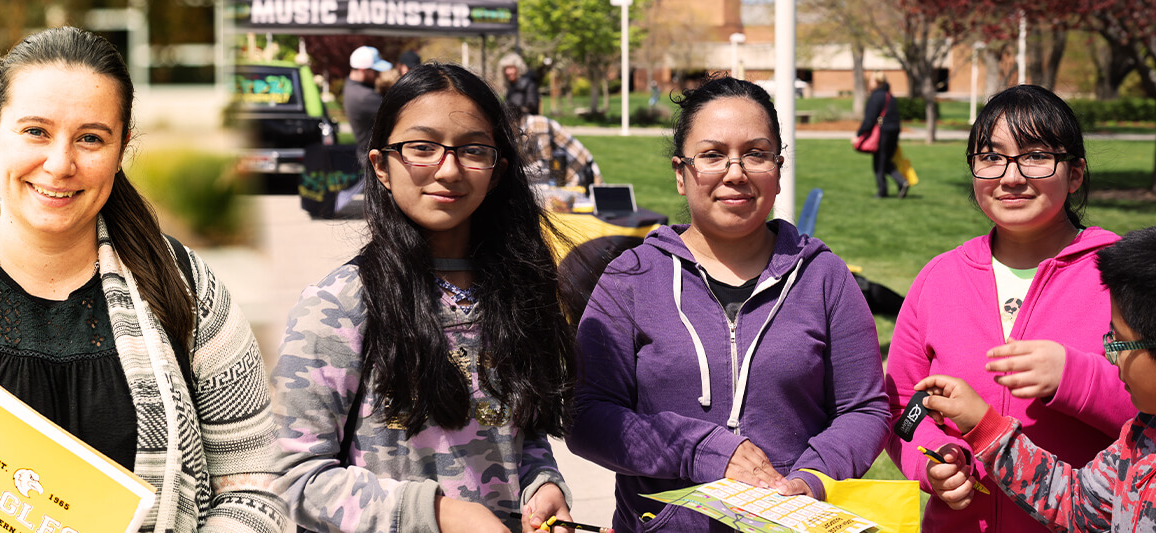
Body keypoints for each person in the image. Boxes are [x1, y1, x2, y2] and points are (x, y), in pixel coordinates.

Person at [0, 26, 288, 531]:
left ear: (121, 150)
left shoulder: (188, 290)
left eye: (90, 138)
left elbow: (258, 487)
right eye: (35, 131)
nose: (60, 164)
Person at [271, 62, 580, 533]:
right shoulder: (339, 305)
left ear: (496, 171)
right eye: (422, 148)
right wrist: (439, 513)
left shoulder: (519, 290)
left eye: (473, 150)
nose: (449, 169)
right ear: (381, 167)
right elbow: (293, 480)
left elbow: (521, 433)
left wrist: (542, 486)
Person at [572, 77, 892, 532]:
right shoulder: (632, 277)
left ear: (778, 172)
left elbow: (865, 409)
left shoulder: (824, 277)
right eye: (712, 154)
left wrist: (812, 480)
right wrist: (701, 450)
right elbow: (587, 416)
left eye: (756, 154)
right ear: (681, 174)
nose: (735, 171)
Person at [885, 84, 1138, 533]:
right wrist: (931, 459)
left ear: (1075, 173)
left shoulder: (1124, 276)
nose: (1011, 176)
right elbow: (902, 405)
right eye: (991, 157)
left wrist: (1074, 377)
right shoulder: (939, 278)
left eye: (1036, 156)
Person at [911, 221, 1156, 531]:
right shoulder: (1152, 429)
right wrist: (983, 425)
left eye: (1117, 341)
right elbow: (1076, 502)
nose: (1110, 356)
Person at [860, 79, 907, 198]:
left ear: (877, 83)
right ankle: (901, 182)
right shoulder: (890, 97)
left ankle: (883, 191)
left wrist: (859, 134)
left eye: (871, 81)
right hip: (894, 132)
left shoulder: (876, 97)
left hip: (882, 134)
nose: (869, 84)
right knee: (885, 162)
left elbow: (869, 119)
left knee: (879, 163)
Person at [344, 46, 387, 141]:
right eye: (375, 71)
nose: (379, 75)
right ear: (362, 70)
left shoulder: (351, 85)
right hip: (371, 154)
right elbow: (400, 115)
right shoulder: (365, 97)